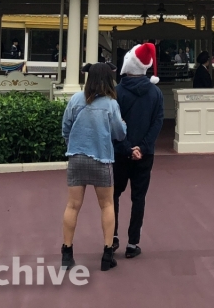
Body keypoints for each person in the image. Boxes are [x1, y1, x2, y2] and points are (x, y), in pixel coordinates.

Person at [61, 63, 127, 272]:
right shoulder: (110, 104)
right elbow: (119, 133)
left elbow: (66, 128)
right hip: (102, 158)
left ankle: (67, 253)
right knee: (107, 205)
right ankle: (107, 254)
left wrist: (73, 144)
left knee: (73, 205)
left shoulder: (75, 99)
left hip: (77, 157)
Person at [113, 43, 164, 259]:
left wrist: (127, 148)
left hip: (120, 152)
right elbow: (157, 122)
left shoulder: (117, 92)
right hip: (145, 154)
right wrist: (142, 147)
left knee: (113, 195)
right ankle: (133, 243)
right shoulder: (156, 92)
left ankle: (112, 236)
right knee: (139, 197)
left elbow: (113, 123)